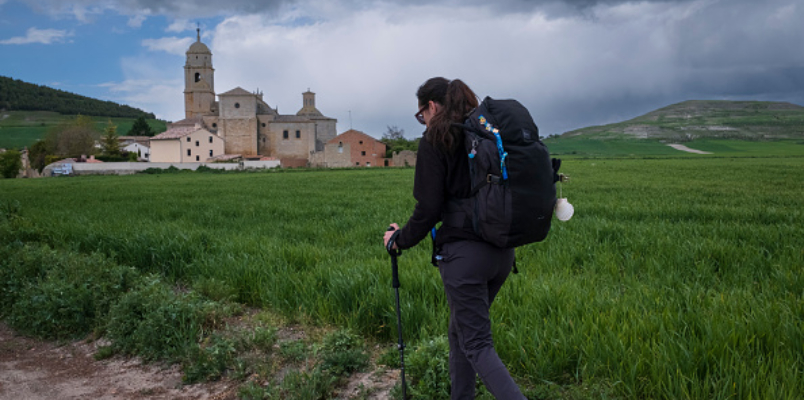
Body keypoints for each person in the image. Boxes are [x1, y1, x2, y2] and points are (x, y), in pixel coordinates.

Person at [383, 77, 526, 400]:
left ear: (431, 106)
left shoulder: (437, 138)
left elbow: (429, 207)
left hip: (465, 258)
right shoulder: (484, 134)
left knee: (477, 345)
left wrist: (398, 239)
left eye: (422, 115)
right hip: (502, 253)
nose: (424, 121)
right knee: (460, 332)